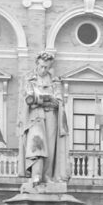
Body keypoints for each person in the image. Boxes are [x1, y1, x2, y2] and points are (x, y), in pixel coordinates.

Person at [20, 51, 69, 186]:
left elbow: (58, 101)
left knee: (51, 146)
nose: (43, 70)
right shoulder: (29, 79)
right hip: (35, 117)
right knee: (37, 144)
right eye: (41, 66)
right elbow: (28, 99)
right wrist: (46, 99)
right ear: (37, 64)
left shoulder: (54, 81)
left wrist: (40, 99)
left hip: (51, 116)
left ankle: (47, 176)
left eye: (46, 67)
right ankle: (36, 174)